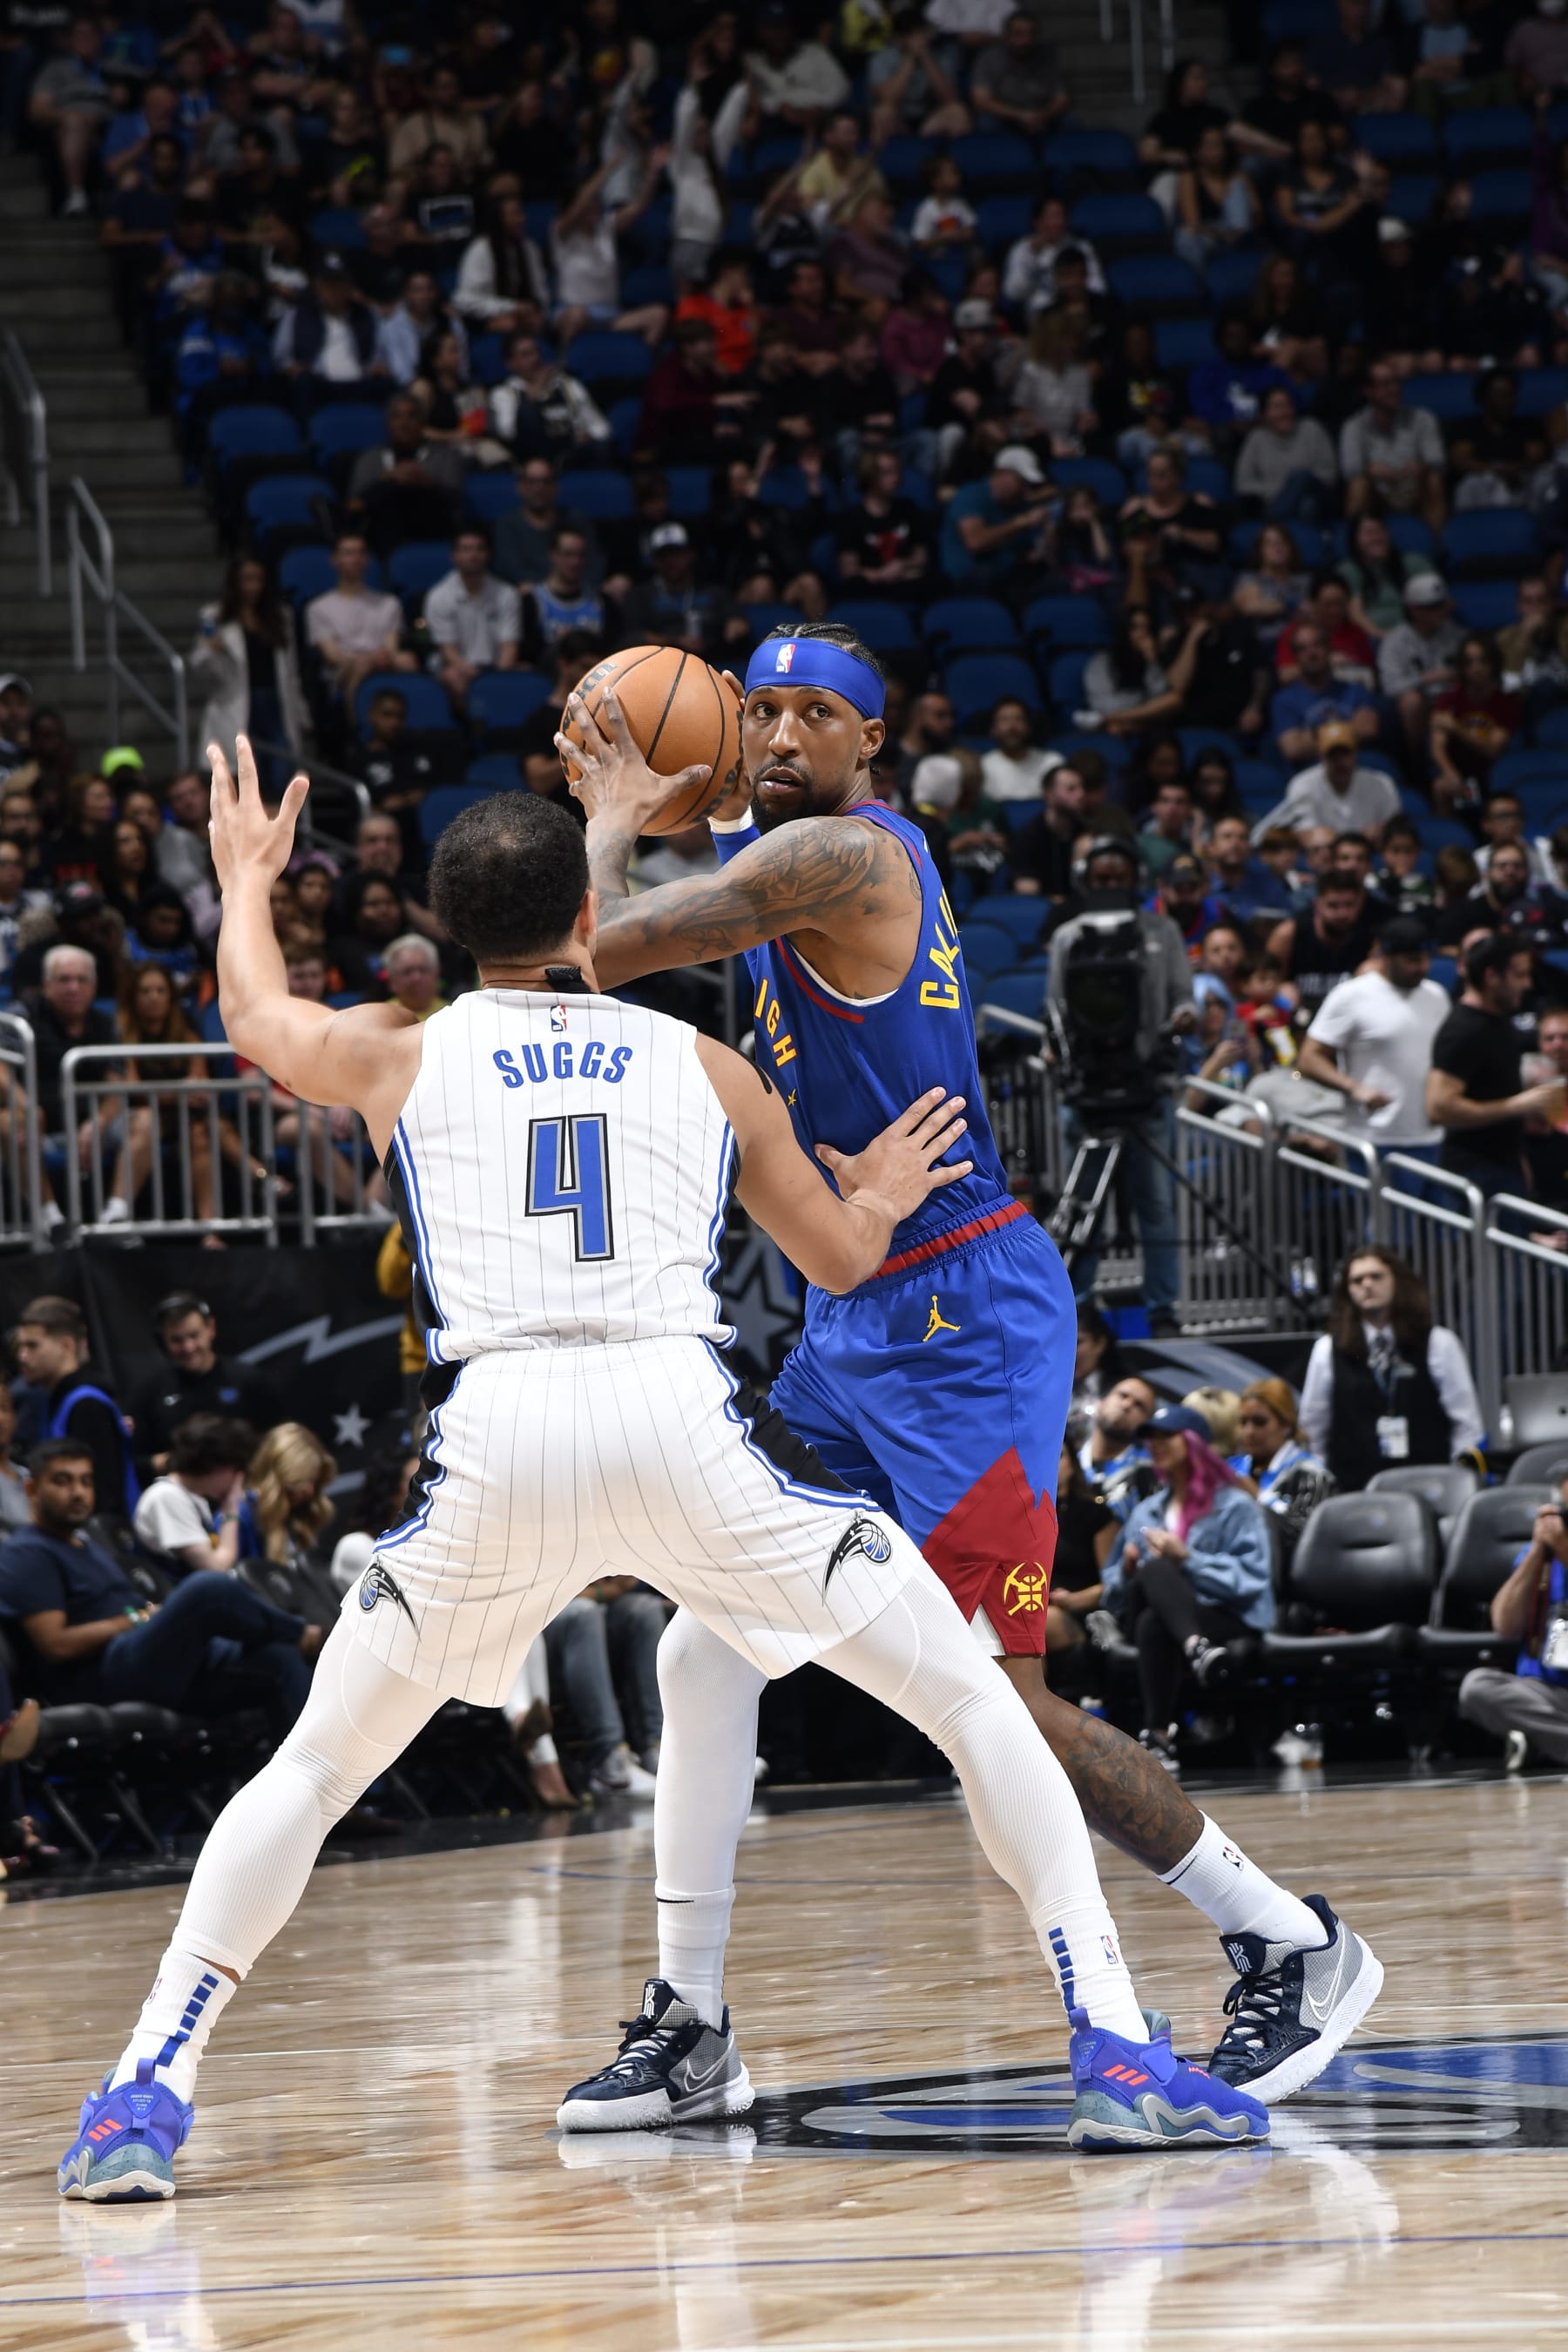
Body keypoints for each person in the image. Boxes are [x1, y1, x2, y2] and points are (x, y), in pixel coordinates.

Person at [56, 740, 1274, 2204]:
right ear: (592, 920)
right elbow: (838, 1254)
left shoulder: (403, 1049)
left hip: (498, 1440)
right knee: (966, 1691)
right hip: (680, 1425)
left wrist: (245, 879)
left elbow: (255, 1012)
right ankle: (1117, 2044)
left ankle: (147, 2086)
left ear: (450, 936)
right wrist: (879, 1189)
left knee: (313, 1769)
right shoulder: (703, 1064)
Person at [567, 627, 1375, 2107]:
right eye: (772, 710)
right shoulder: (781, 849)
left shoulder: (848, 863)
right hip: (858, 1308)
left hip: (963, 1317)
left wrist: (617, 813)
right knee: (703, 1640)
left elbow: (594, 953)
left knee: (997, 1710)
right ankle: (691, 2022)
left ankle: (1285, 1940)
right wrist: (701, 775)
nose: (793, 732)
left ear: (875, 746)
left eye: (829, 714)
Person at [0, 1439, 321, 1736]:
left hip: (153, 1665)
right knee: (207, 1589)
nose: (78, 1492)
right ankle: (299, 1632)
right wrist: (136, 1621)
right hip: (105, 1675)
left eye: (86, 1481)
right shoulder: (27, 1552)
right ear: (31, 1489)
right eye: (62, 1481)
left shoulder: (85, 1545)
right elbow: (55, 1645)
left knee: (277, 1657)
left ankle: (339, 1789)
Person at [1044, 837, 1194, 1335]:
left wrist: (1183, 1020)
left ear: (1136, 881)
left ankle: (1163, 1310)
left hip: (1148, 1085)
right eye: (1102, 879)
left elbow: (1181, 999)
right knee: (1084, 1204)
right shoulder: (1068, 938)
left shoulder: (1163, 932)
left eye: (1119, 878)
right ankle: (1081, 1308)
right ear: (1089, 882)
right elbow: (1058, 1011)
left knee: (1155, 1203)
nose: (1111, 886)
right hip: (1086, 1092)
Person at [1105, 1404, 1275, 1771]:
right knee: (1153, 1572)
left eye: (1167, 1435)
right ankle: (1198, 1649)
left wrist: (1188, 1559)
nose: (1156, 1444)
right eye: (1152, 1438)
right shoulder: (1146, 1511)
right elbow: (1112, 1591)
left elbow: (1252, 1578)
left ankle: (1158, 1738)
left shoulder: (1235, 1506)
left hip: (1221, 1612)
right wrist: (1127, 1569)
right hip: (1164, 1615)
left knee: (1155, 1621)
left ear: (1194, 1441)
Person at [1300, 1247, 1485, 1489]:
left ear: (1397, 1281)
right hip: (1353, 1490)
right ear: (1348, 1291)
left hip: (1430, 1485)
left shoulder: (1439, 1343)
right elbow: (1313, 1429)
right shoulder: (1326, 1350)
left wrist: (1456, 1484)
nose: (1367, 1284)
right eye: (1357, 1280)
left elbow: (1467, 1425)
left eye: (1376, 1276)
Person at [1298, 916, 1450, 1157]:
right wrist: (1354, 1087)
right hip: (1373, 1138)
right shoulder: (1351, 995)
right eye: (1411, 960)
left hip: (1430, 1136)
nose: (1421, 967)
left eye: (1425, 959)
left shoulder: (1437, 996)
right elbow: (1308, 1059)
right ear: (1385, 956)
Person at [1427, 935, 1561, 1197]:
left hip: (1505, 1164)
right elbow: (1439, 1107)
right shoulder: (1463, 1030)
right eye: (1520, 975)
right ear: (1492, 976)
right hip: (1473, 1173)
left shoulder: (1499, 1019)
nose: (1528, 984)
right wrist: (1519, 1104)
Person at [1458, 1481, 1568, 1771]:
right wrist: (1537, 1551)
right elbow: (1505, 1625)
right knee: (1477, 1687)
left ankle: (1542, 1743)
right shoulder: (1542, 1558)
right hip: (1547, 1694)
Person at [13, 1294, 138, 1522]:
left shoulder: (86, 1405)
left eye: (32, 1345)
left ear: (66, 1345)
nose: (22, 1356)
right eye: (19, 1346)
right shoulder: (56, 1399)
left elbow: (102, 1496)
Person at [131, 1293, 280, 1478]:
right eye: (177, 1340)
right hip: (182, 1499)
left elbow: (278, 1440)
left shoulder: (248, 1380)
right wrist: (161, 1462)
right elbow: (134, 1460)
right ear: (163, 1341)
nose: (188, 1347)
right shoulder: (150, 1394)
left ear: (211, 1328)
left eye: (194, 1336)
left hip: (246, 1489)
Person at [190, 557, 310, 785]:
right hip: (236, 700)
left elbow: (291, 670)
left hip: (276, 702)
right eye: (247, 580)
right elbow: (201, 668)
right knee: (246, 773)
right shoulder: (215, 616)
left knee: (280, 774)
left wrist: (301, 712)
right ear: (234, 583)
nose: (253, 586)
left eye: (259, 580)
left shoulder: (281, 616)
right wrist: (212, 650)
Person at [133, 1415, 255, 1578]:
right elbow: (216, 1570)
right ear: (214, 1466)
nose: (237, 1480)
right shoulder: (166, 1497)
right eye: (235, 1471)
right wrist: (231, 1511)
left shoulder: (192, 1498)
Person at [304, 531, 413, 705]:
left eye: (360, 553)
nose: (355, 559)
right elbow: (332, 655)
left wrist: (381, 658)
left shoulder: (389, 603)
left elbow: (392, 647)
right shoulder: (318, 607)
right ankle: (356, 725)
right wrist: (365, 660)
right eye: (348, 553)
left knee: (409, 661)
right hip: (345, 669)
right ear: (335, 560)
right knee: (361, 665)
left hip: (383, 662)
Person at [1235, 1379, 1335, 1566]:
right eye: (1243, 1422)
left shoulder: (1312, 1476)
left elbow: (1305, 1538)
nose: (1248, 1431)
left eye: (1259, 1422)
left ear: (1286, 1425)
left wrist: (1258, 1497)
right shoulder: (1231, 1470)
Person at [422, 527, 520, 710]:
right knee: (455, 679)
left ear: (488, 554)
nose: (473, 555)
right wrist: (480, 680)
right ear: (454, 556)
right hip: (457, 668)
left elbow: (509, 647)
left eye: (479, 549)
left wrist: (499, 677)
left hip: (495, 668)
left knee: (524, 677)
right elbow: (448, 651)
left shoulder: (507, 594)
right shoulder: (439, 596)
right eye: (466, 549)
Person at [1078, 1372, 1159, 1523]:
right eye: (1123, 1396)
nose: (1127, 1405)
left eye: (1139, 1405)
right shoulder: (1063, 1459)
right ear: (1101, 1402)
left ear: (1147, 1424)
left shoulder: (1149, 1477)